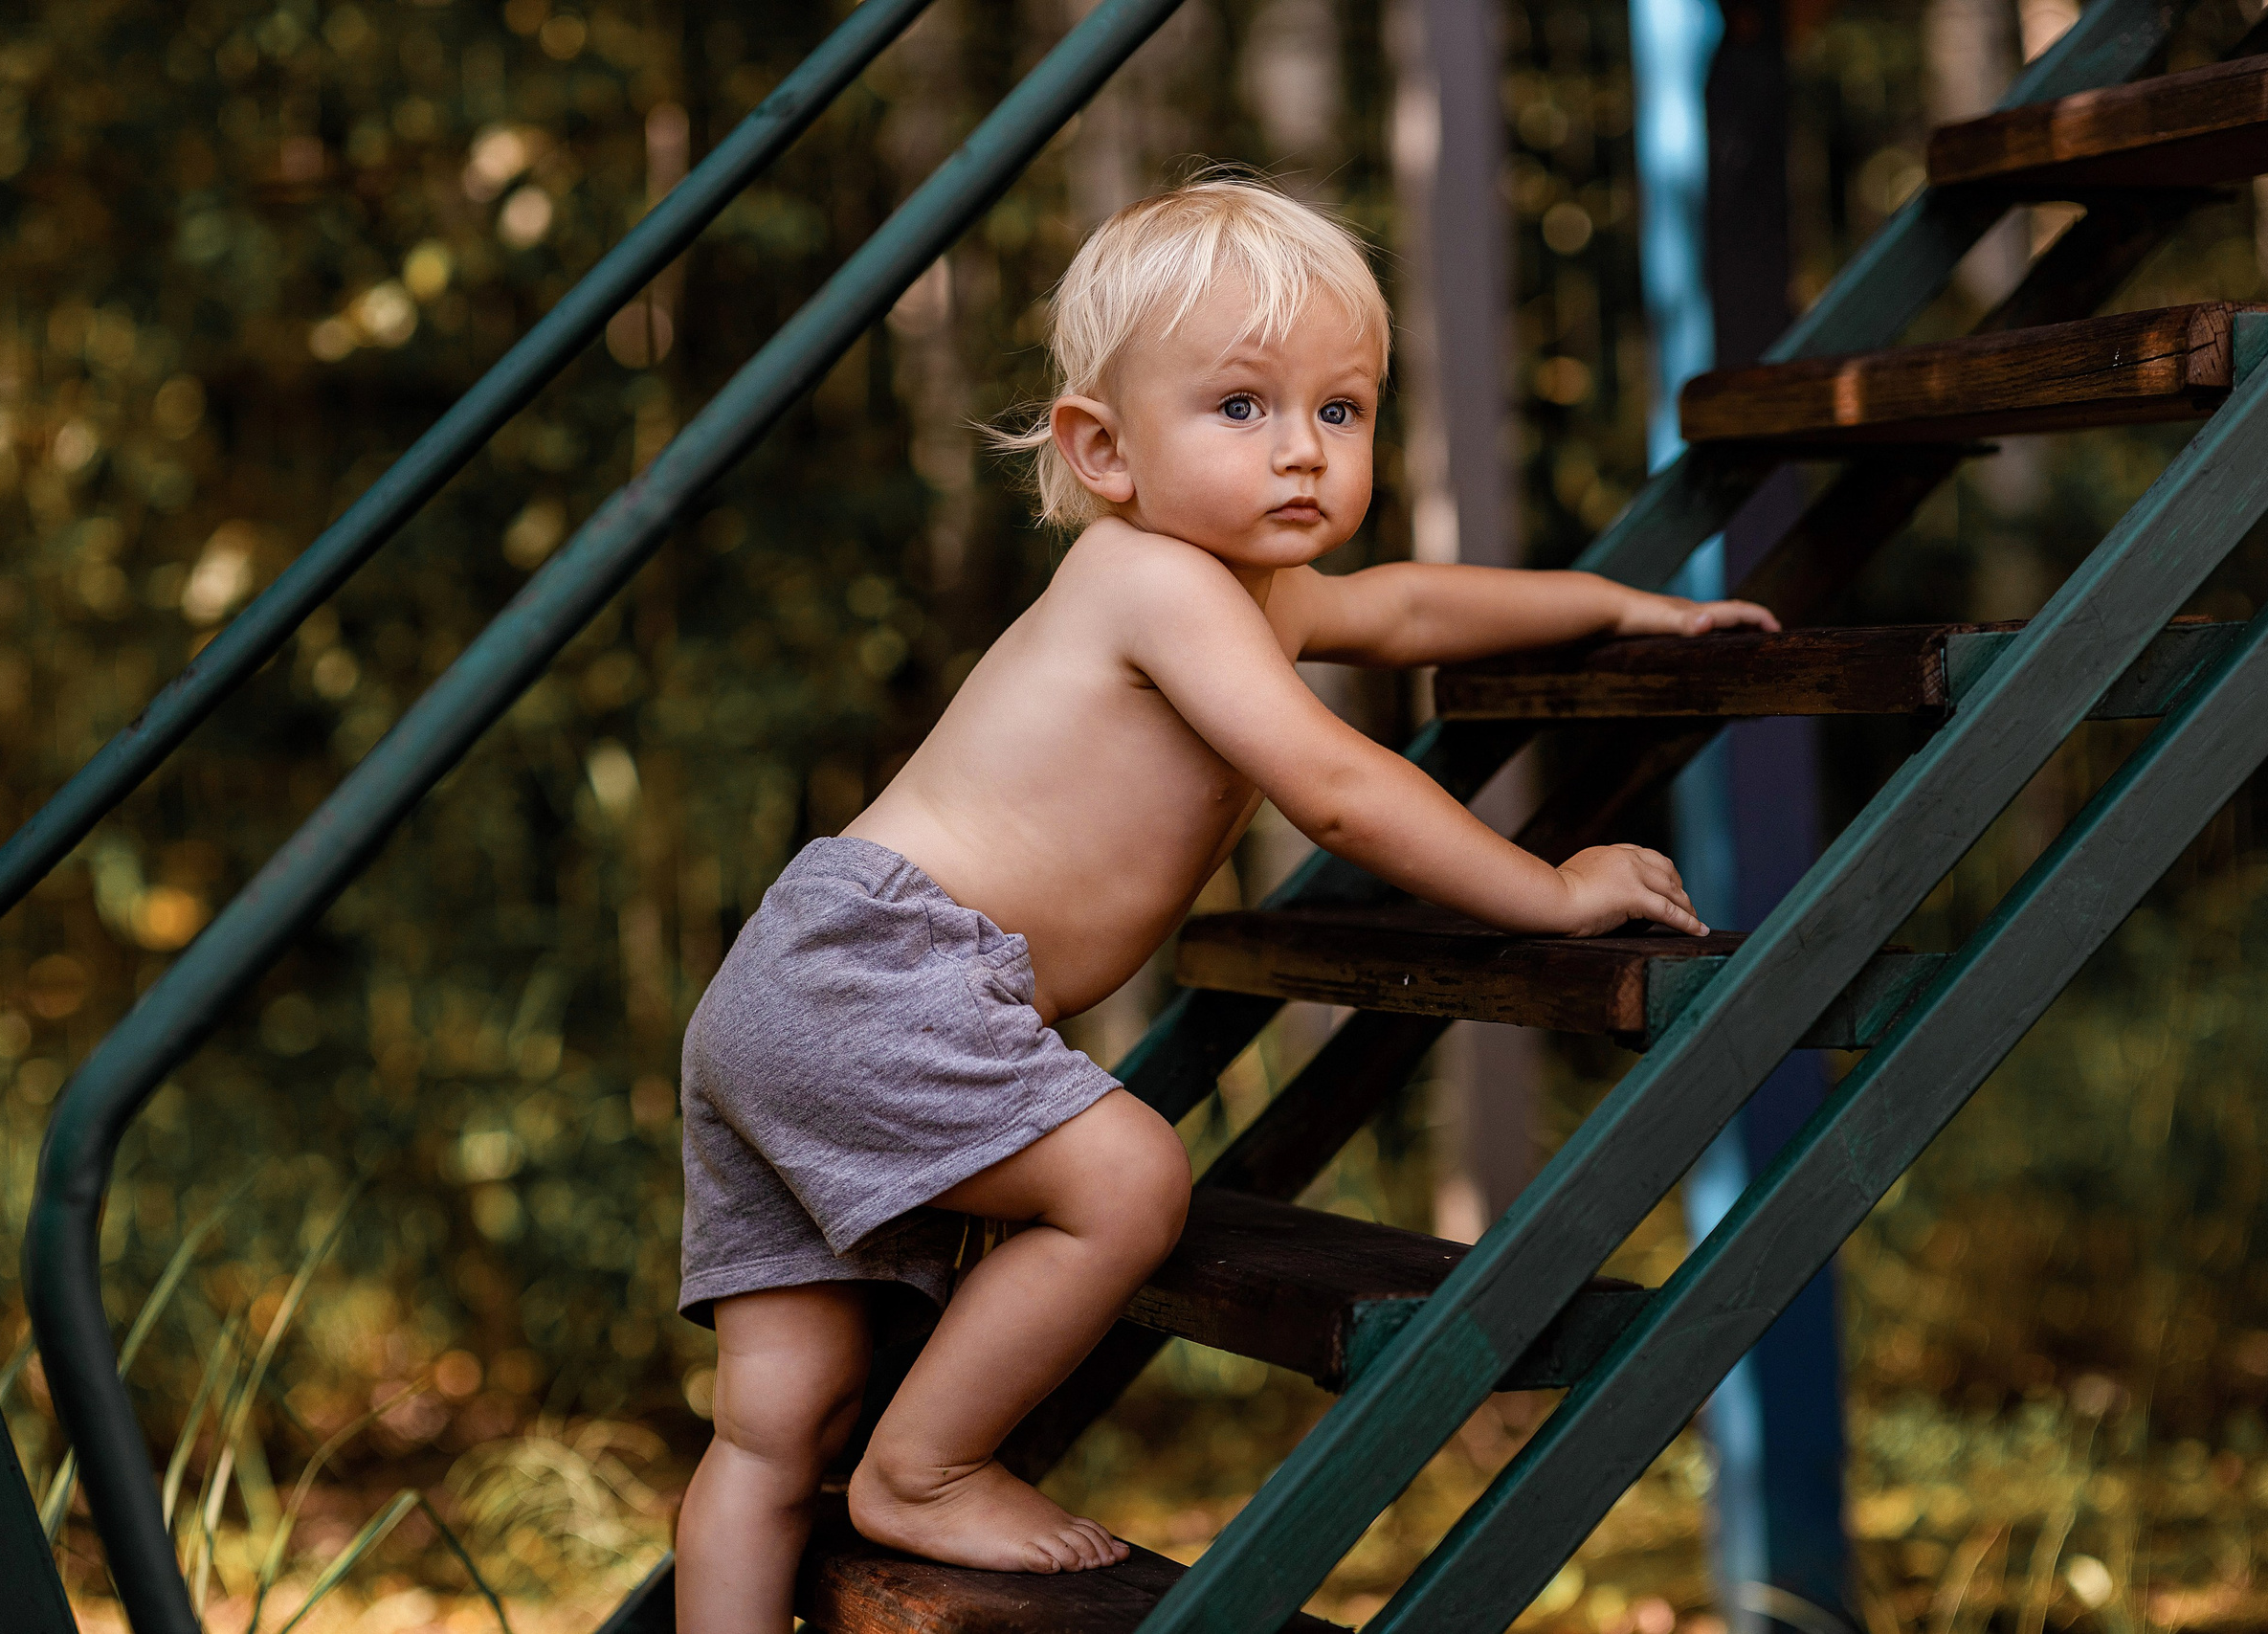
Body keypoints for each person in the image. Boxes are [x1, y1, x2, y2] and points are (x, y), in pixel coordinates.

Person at [670, 176, 1777, 1627]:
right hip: (880, 974)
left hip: (786, 989)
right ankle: (926, 1471)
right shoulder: (1151, 582)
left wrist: (1613, 604)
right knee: (1126, 1181)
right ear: (1104, 449)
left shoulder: (1261, 595)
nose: (1302, 449)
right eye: (1242, 406)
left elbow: (1412, 609)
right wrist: (1552, 889)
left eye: (1342, 409)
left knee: (773, 1429)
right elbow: (1338, 787)